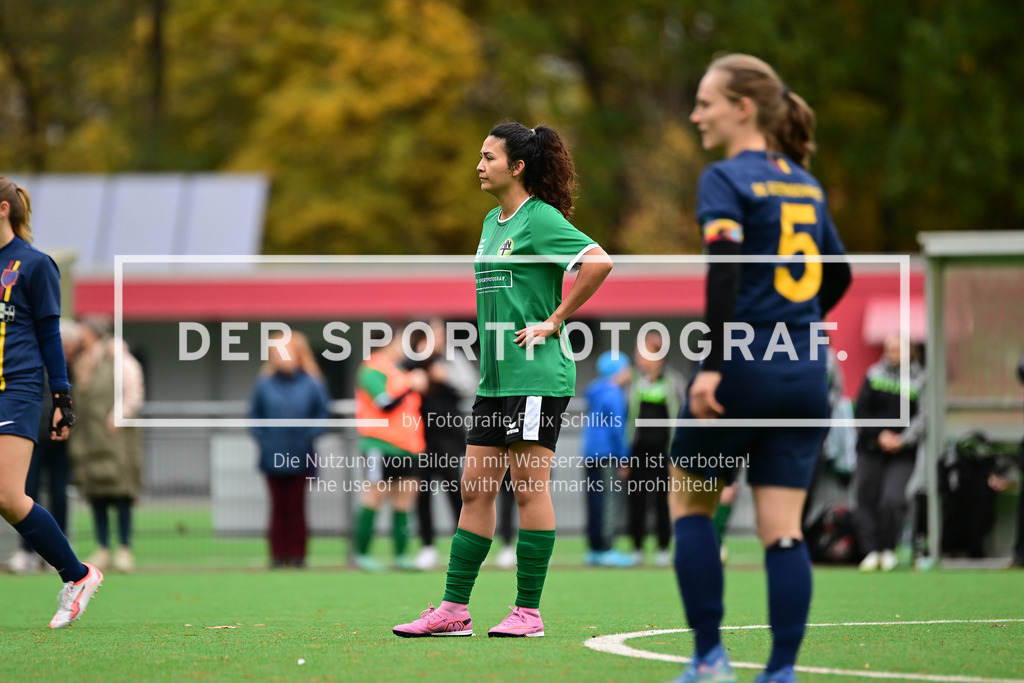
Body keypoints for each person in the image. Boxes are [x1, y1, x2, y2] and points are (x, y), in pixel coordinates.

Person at [667, 55, 851, 683]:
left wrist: (713, 367)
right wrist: (798, 321)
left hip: (742, 365)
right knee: (783, 530)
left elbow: (724, 272)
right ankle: (780, 673)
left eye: (706, 102)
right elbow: (842, 272)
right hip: (806, 372)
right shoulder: (805, 182)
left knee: (689, 507)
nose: (696, 115)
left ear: (742, 108)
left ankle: (711, 660)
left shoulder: (724, 178)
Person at [392, 121, 613, 638]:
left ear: (517, 166)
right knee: (475, 491)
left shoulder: (540, 219)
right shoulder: (493, 222)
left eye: (488, 156)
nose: (479, 164)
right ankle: (453, 610)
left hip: (536, 376)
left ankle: (528, 613)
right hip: (495, 383)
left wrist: (555, 320)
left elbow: (599, 263)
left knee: (529, 491)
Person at [0, 177, 102, 628]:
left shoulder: (34, 265)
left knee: (8, 496)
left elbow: (48, 337)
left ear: (4, 210)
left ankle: (78, 576)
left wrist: (62, 398)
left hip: (17, 388)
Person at [69, 315, 146, 573]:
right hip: (91, 437)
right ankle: (102, 547)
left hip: (116, 437)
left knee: (121, 491)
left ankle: (124, 547)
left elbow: (134, 392)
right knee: (96, 493)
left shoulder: (119, 360)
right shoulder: (82, 363)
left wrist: (118, 415)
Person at [249, 330, 331, 569]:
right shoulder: (264, 384)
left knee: (297, 506)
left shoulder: (312, 383)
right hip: (271, 453)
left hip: (301, 452)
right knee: (277, 506)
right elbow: (255, 415)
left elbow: (322, 413)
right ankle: (277, 554)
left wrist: (309, 435)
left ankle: (298, 555)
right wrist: (263, 438)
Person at [7, 319, 81, 573]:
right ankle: (26, 551)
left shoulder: (71, 368)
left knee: (59, 494)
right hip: (32, 436)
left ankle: (58, 551)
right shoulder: (33, 360)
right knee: (25, 493)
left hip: (59, 440)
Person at [352, 328, 428, 571]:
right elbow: (384, 404)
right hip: (379, 445)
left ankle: (401, 556)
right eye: (398, 341)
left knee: (404, 499)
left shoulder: (400, 371)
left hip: (408, 446)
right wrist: (410, 385)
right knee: (374, 496)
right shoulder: (371, 369)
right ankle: (361, 554)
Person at [408, 318, 478, 571]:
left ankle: (462, 548)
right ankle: (426, 548)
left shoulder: (452, 359)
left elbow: (471, 386)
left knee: (455, 492)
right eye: (433, 334)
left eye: (440, 334)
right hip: (417, 440)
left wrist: (446, 377)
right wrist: (411, 382)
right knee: (422, 494)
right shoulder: (409, 363)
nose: (440, 339)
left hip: (448, 438)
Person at [852, 332, 925, 572]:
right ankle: (871, 551)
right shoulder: (873, 375)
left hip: (902, 452)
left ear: (911, 352)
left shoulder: (921, 379)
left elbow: (923, 417)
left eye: (899, 349)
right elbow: (861, 411)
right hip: (871, 448)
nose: (895, 354)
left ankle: (887, 549)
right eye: (891, 349)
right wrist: (879, 435)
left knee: (892, 500)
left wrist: (902, 440)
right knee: (866, 497)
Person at [624, 330, 687, 566]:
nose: (639, 356)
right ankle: (637, 548)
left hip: (664, 454)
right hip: (638, 453)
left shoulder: (674, 382)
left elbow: (682, 416)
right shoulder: (630, 381)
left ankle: (663, 548)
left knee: (663, 501)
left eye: (645, 352)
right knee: (636, 501)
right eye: (638, 352)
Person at [581, 350, 633, 567]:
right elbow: (617, 429)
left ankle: (594, 548)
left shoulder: (595, 391)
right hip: (608, 455)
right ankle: (607, 548)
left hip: (590, 453)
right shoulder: (614, 394)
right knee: (610, 501)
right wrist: (624, 458)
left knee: (594, 500)